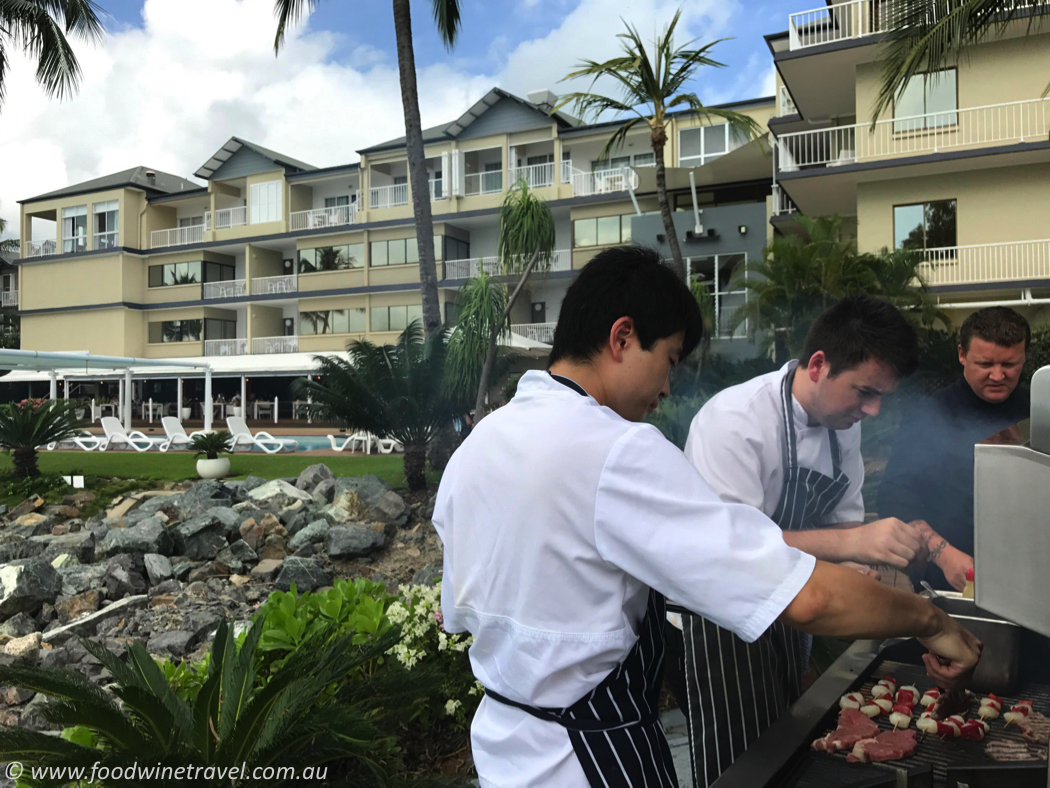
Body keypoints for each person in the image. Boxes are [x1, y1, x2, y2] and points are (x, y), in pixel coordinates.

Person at [433, 248, 980, 788]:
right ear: (622, 338)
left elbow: (460, 614)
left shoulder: (482, 444)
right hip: (588, 755)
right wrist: (930, 621)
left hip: (506, 749)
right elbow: (809, 598)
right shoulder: (618, 450)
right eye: (669, 359)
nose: (668, 388)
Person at [671, 296, 936, 787]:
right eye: (863, 392)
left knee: (783, 747)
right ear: (819, 365)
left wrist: (867, 560)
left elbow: (842, 528)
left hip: (794, 609)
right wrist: (856, 542)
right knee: (742, 765)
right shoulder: (735, 422)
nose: (872, 410)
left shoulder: (843, 426)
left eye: (882, 397)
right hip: (724, 622)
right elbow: (734, 554)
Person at [878, 306, 1030, 591]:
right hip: (954, 577)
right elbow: (894, 496)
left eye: (1010, 365)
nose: (998, 376)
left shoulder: (1036, 407)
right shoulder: (930, 415)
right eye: (985, 364)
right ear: (962, 354)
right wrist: (944, 555)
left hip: (1029, 568)